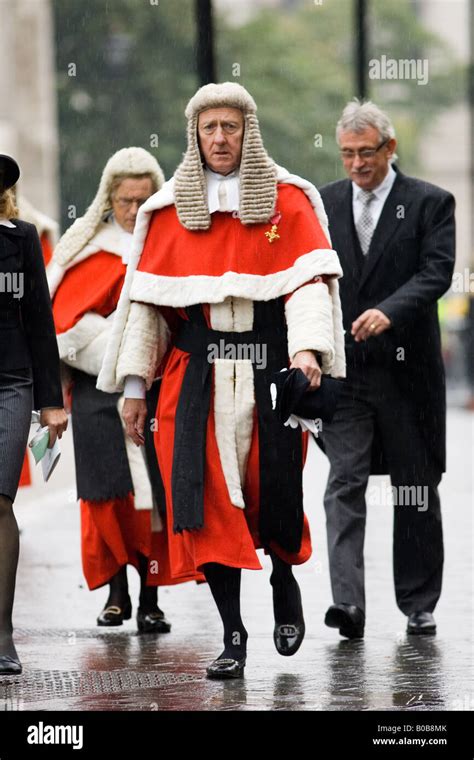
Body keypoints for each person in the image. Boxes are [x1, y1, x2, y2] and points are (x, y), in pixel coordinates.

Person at [98, 83, 345, 678]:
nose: (219, 138)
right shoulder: (165, 211)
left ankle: (285, 577)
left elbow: (307, 287)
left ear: (247, 132)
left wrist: (309, 354)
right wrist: (135, 390)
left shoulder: (288, 202)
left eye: (229, 127)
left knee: (273, 490)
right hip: (194, 378)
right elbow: (147, 309)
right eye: (209, 128)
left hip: (269, 374)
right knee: (202, 503)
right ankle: (232, 633)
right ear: (195, 135)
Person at [318, 100, 455, 639]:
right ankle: (347, 605)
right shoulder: (323, 203)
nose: (356, 164)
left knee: (414, 489)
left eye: (366, 152)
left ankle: (419, 602)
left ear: (389, 148)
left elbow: (437, 272)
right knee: (343, 483)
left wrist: (389, 312)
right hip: (347, 375)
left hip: (409, 375)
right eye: (347, 153)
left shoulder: (429, 202)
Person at [48, 147, 191, 633]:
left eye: (142, 199)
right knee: (105, 495)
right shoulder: (88, 249)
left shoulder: (169, 244)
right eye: (125, 200)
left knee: (156, 499)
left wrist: (146, 351)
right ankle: (115, 594)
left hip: (158, 392)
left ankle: (151, 598)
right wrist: (121, 346)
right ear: (109, 199)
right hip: (95, 396)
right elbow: (64, 328)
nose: (133, 210)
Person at [0, 154, 67, 674]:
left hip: (11, 383)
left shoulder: (20, 239)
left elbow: (40, 321)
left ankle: (3, 635)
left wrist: (51, 402)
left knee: (0, 503)